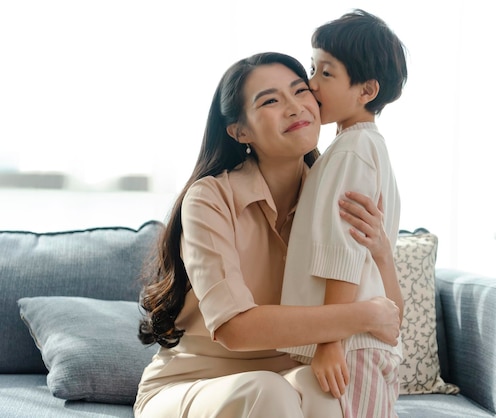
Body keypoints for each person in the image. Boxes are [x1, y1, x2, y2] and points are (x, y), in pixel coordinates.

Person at [133, 51, 402, 418]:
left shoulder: (337, 191)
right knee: (269, 391)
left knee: (326, 389)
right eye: (271, 101)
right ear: (239, 131)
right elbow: (235, 328)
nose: (294, 108)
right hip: (191, 384)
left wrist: (382, 255)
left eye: (300, 91)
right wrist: (360, 316)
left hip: (289, 378)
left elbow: (389, 321)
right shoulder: (209, 199)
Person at [279, 9, 408, 418]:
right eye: (313, 67)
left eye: (326, 73)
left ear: (366, 90)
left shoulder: (354, 151)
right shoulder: (355, 148)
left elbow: (345, 251)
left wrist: (329, 340)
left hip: (351, 346)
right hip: (355, 340)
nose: (311, 84)